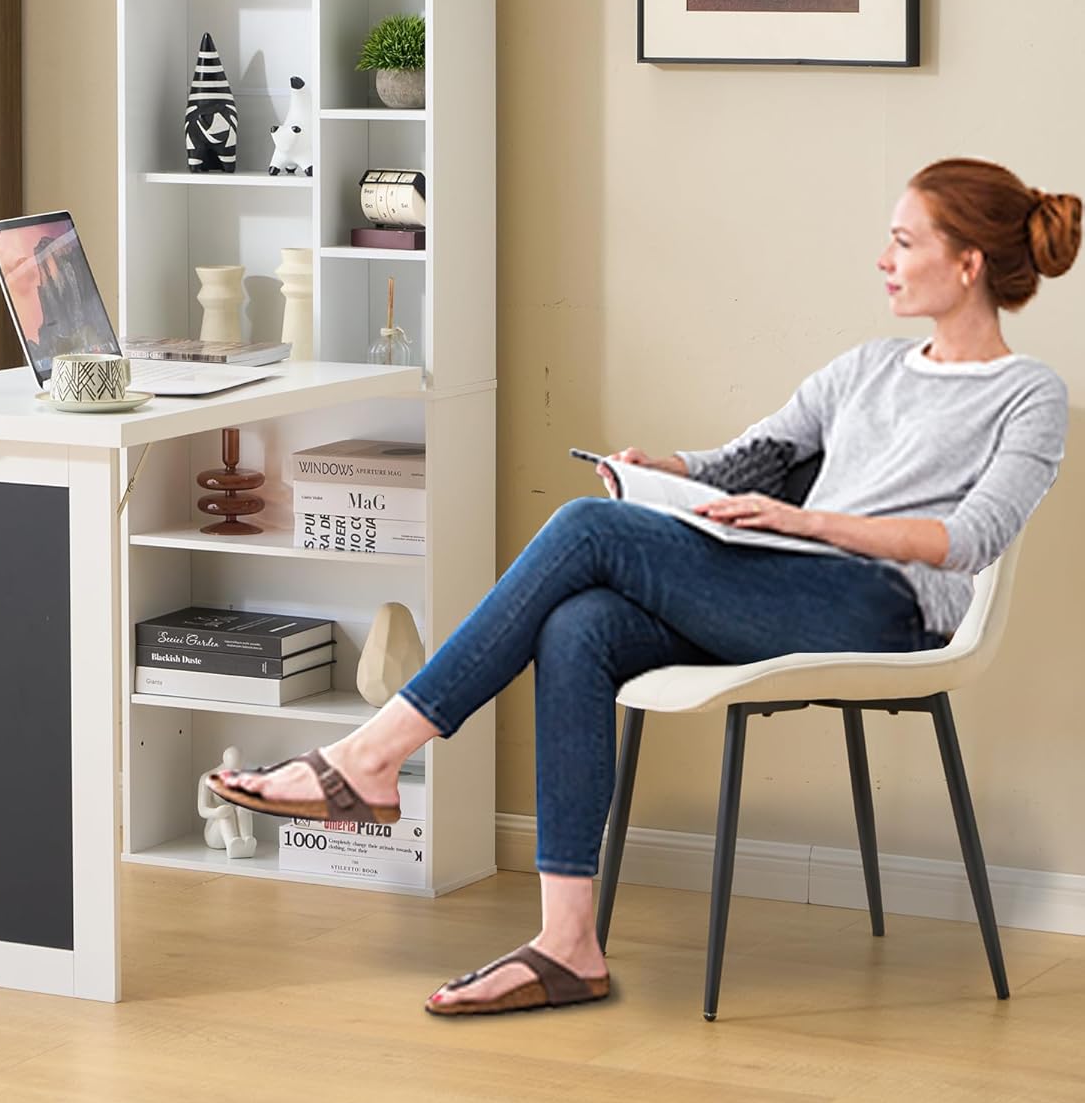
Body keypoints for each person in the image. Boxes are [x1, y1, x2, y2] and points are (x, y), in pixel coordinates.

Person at [211, 159, 1081, 1016]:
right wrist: (666, 470)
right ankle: (567, 946)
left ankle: (370, 756)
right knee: (580, 625)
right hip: (784, 585)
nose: (882, 260)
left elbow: (970, 542)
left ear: (967, 263)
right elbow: (756, 461)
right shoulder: (868, 366)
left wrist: (817, 524)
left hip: (886, 612)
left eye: (902, 242)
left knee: (586, 533)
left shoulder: (1027, 394)